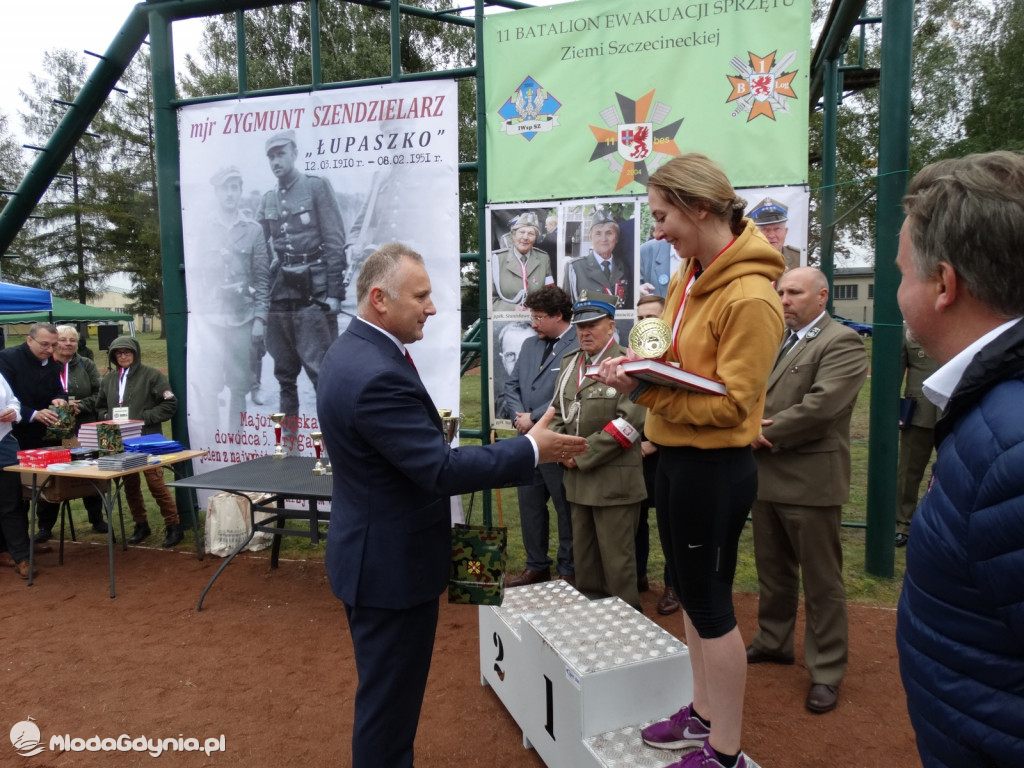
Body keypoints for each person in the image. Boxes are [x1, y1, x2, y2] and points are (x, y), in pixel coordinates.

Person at [315, 243, 587, 768]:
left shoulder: (356, 352)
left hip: (378, 556)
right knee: (388, 710)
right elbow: (438, 471)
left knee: (388, 702)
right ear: (379, 299)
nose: (433, 308)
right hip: (389, 571)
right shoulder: (375, 373)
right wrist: (532, 449)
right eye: (421, 296)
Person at [592, 154, 785, 768]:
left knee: (711, 606)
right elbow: (680, 363)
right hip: (673, 457)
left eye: (662, 215)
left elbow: (734, 408)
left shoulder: (752, 297)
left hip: (715, 471)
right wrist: (637, 368)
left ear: (700, 207)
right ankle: (702, 715)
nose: (657, 230)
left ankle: (724, 751)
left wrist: (644, 392)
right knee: (692, 596)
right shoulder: (689, 276)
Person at [894, 151, 1024, 768]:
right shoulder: (995, 416)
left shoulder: (1010, 449)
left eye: (901, 274)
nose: (898, 292)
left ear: (944, 285)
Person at [746, 267, 868, 715]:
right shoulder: (780, 340)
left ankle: (827, 670)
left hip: (810, 480)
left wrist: (761, 432)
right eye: (780, 292)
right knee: (773, 572)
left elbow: (823, 406)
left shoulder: (842, 341)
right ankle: (774, 640)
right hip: (766, 476)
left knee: (821, 583)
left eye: (794, 292)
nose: (784, 299)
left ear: (823, 296)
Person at [548, 295, 646, 608]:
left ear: (611, 326)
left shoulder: (627, 364)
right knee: (585, 563)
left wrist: (581, 454)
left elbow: (630, 423)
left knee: (618, 566)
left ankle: (627, 630)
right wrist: (563, 451)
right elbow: (558, 413)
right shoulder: (569, 364)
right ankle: (593, 624)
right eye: (580, 326)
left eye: (592, 325)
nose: (585, 332)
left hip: (613, 483)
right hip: (576, 483)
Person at [258, 130, 348, 443]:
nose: (275, 161)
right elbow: (262, 247)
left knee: (323, 374)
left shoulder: (315, 186)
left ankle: (335, 447)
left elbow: (335, 238)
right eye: (271, 156)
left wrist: (335, 292)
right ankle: (290, 445)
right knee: (284, 375)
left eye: (280, 153)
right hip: (282, 293)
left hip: (315, 291)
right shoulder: (268, 199)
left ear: (294, 152)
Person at [503, 285, 579, 588]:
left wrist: (533, 418)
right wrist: (519, 417)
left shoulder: (578, 343)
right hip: (527, 442)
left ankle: (568, 569)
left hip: (557, 439)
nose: (533, 324)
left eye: (538, 317)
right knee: (530, 506)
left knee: (564, 507)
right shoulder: (530, 345)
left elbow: (573, 391)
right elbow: (511, 386)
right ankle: (536, 565)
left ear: (558, 315)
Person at [92, 337, 183, 548]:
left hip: (147, 439)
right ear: (114, 356)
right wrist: (109, 416)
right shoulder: (109, 379)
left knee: (156, 483)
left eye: (127, 352)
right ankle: (141, 524)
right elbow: (99, 407)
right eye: (118, 353)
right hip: (120, 442)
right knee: (129, 486)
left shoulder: (152, 375)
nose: (123, 356)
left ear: (135, 353)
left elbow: (170, 404)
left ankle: (173, 526)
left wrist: (143, 417)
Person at [198, 166, 271, 419]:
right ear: (216, 192)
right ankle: (211, 446)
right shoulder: (203, 228)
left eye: (234, 188)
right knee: (209, 386)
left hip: (242, 318)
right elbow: (195, 277)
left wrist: (260, 319)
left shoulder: (253, 230)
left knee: (240, 385)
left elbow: (262, 278)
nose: (229, 194)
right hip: (211, 319)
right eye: (224, 189)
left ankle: (237, 444)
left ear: (240, 192)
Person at [633, 293, 680, 614]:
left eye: (653, 316)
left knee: (671, 525)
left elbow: (686, 407)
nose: (646, 323)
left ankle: (674, 586)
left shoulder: (682, 354)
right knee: (634, 520)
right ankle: (636, 577)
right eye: (640, 318)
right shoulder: (632, 356)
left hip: (670, 455)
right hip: (633, 455)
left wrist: (654, 443)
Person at [0, 322, 64, 556]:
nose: (49, 350)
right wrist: (32, 413)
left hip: (41, 436)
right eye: (44, 345)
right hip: (13, 434)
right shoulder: (8, 359)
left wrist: (60, 399)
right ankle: (9, 547)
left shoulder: (52, 363)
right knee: (13, 495)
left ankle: (29, 539)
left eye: (53, 345)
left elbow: (59, 389)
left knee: (39, 487)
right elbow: (9, 398)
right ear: (29, 340)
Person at [37, 325, 107, 535]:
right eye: (63, 339)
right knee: (52, 473)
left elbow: (99, 394)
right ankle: (45, 527)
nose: (68, 344)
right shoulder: (44, 365)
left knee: (90, 470)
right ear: (55, 342)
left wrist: (81, 405)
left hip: (83, 424)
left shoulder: (86, 365)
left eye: (72, 340)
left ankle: (97, 519)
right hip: (52, 426)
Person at [894, 326, 939, 547]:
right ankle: (903, 524)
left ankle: (941, 524)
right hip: (919, 413)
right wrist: (896, 411)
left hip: (956, 411)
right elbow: (896, 374)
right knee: (908, 472)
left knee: (952, 473)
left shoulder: (963, 324)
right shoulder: (909, 330)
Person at [0, 371, 34, 579]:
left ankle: (21, 557)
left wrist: (13, 412)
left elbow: (13, 401)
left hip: (3, 443)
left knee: (11, 503)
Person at [564, 207, 632, 309]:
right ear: (590, 237)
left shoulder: (623, 266)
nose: (603, 239)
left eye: (609, 233)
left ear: (616, 238)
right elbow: (567, 307)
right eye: (598, 233)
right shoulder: (575, 268)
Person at [491, 211, 554, 311]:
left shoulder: (543, 258)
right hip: (505, 320)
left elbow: (550, 294)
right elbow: (490, 299)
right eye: (521, 232)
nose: (525, 237)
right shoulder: (497, 259)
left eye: (531, 233)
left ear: (535, 238)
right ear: (513, 235)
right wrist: (513, 309)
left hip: (536, 319)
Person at [492, 320, 533, 421]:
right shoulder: (500, 404)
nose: (518, 363)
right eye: (510, 355)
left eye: (526, 353)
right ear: (503, 360)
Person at [749, 197, 801, 271]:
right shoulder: (746, 259)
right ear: (755, 233)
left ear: (785, 232)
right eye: (765, 229)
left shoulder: (799, 258)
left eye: (777, 229)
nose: (771, 235)